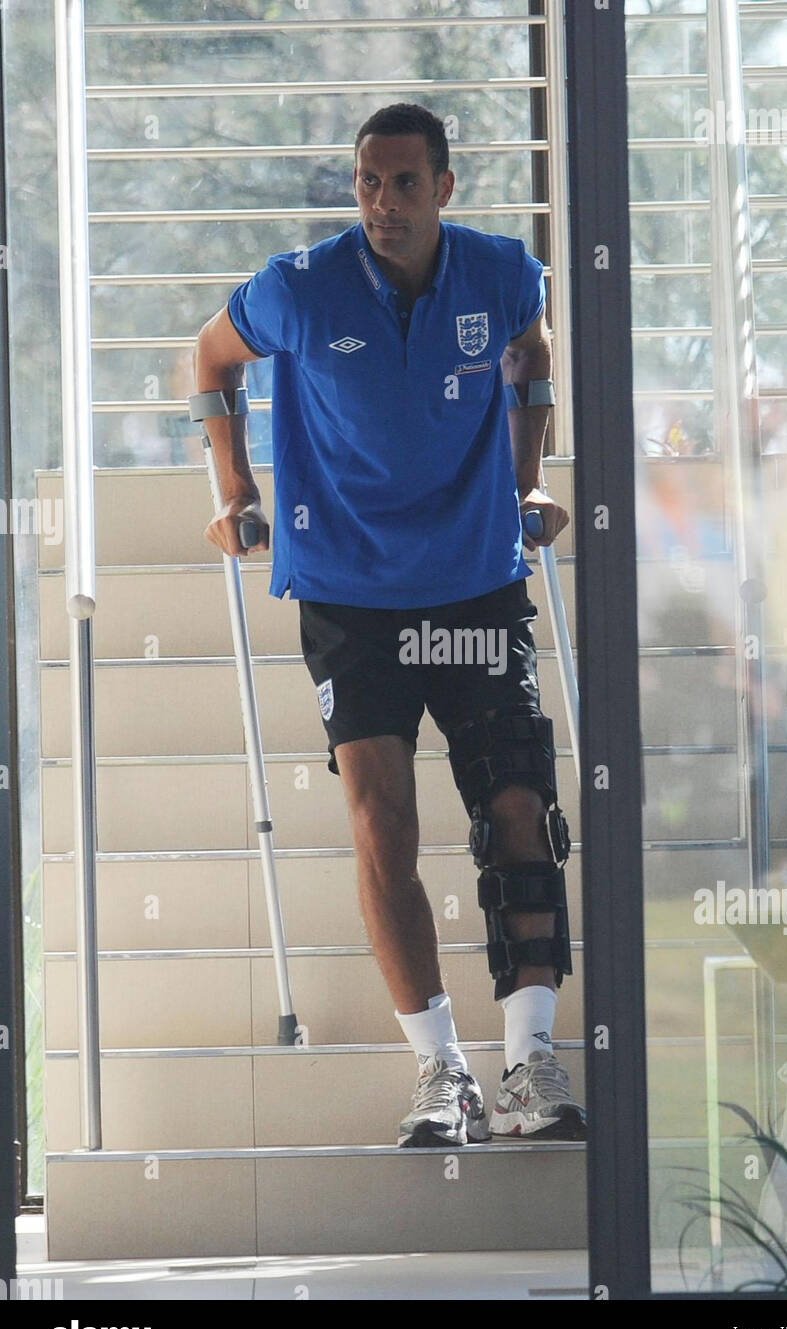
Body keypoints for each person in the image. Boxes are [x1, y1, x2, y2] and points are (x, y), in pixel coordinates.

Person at [191, 102, 585, 1147]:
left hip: (472, 579)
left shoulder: (501, 274)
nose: (382, 203)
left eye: (404, 183)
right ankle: (443, 1072)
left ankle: (532, 1061)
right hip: (350, 591)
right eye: (368, 182)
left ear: (444, 188)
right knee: (383, 824)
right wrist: (232, 488)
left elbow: (532, 346)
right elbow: (209, 356)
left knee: (518, 804)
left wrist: (530, 478)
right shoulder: (299, 288)